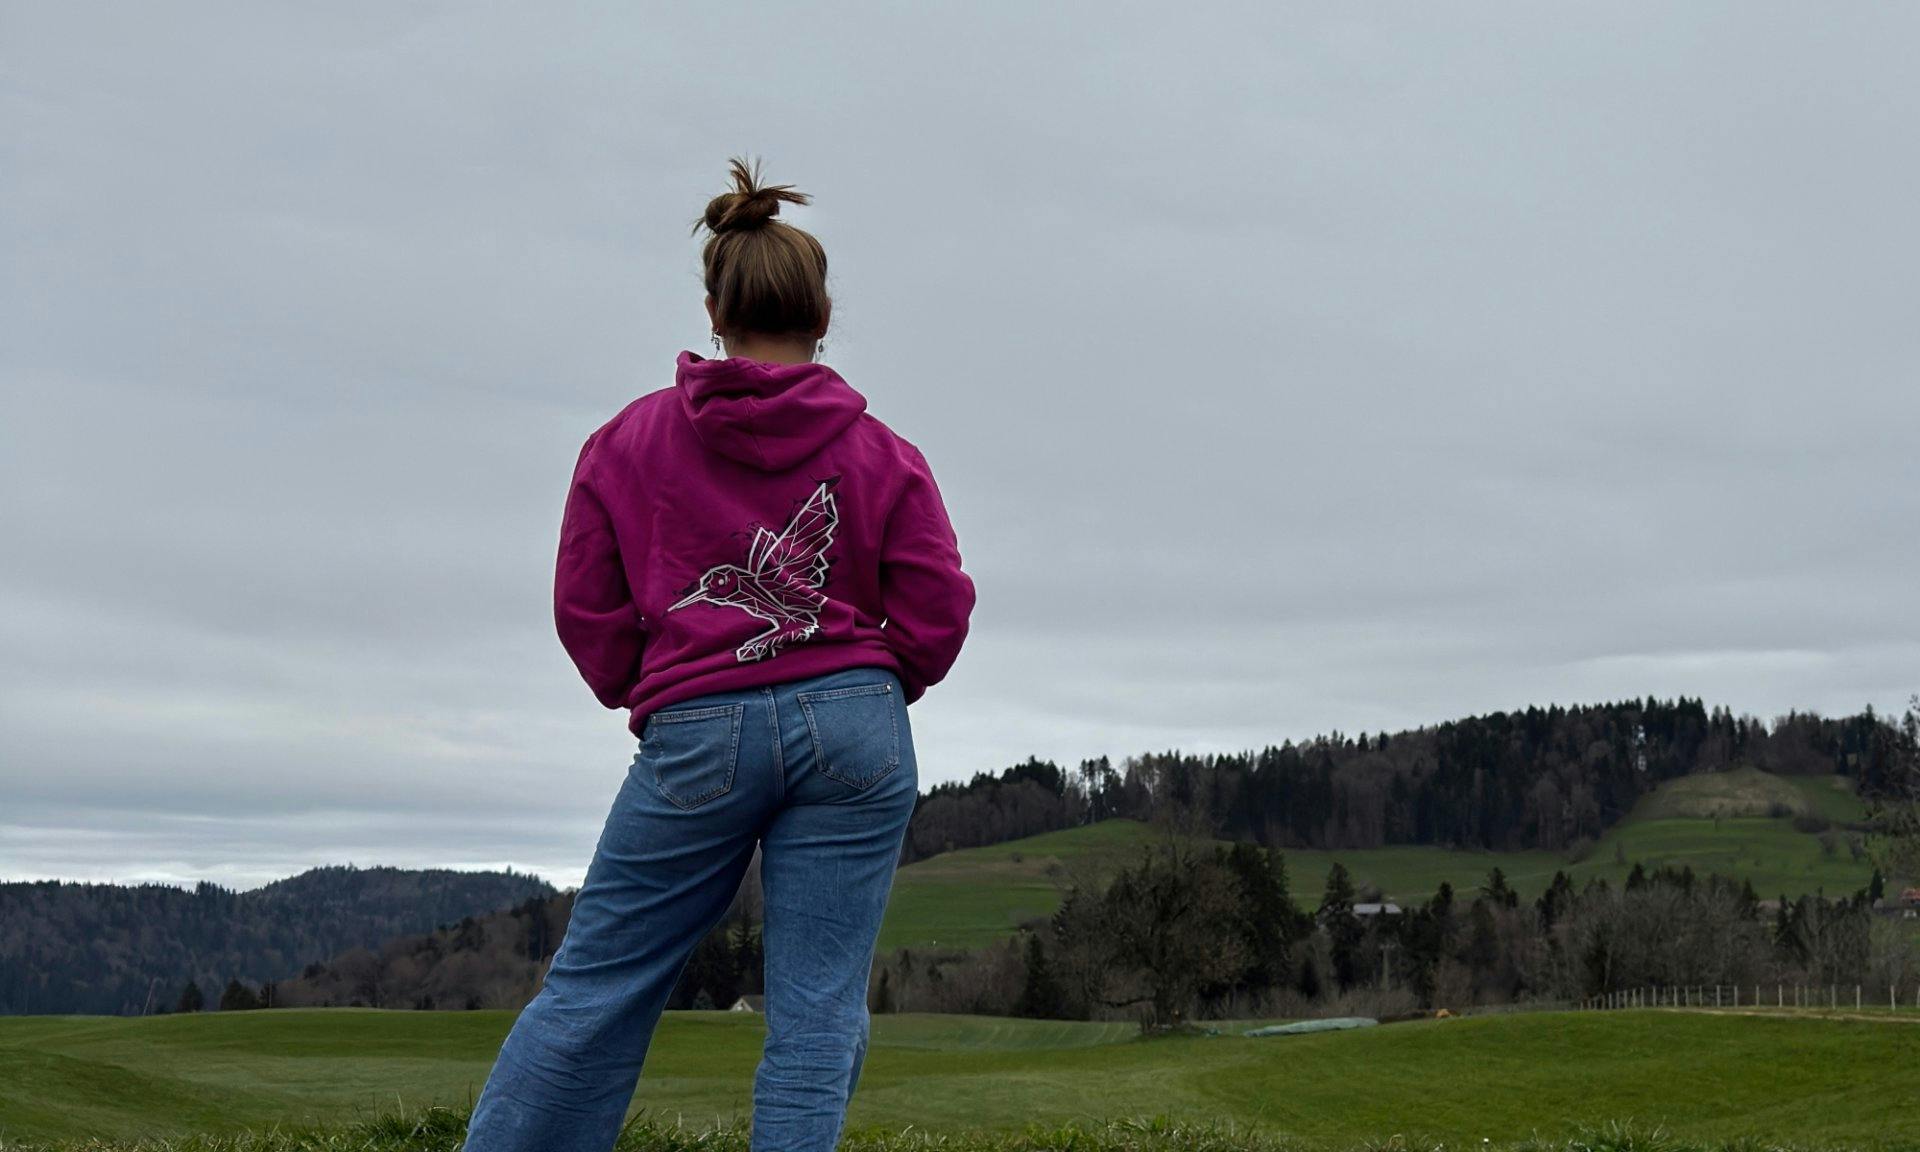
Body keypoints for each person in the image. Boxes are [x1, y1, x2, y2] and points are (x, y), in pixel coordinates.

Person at [462, 158, 975, 1152]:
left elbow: (587, 605)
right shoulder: (884, 453)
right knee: (817, 1016)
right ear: (823, 317)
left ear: (714, 310)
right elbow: (938, 604)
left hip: (699, 729)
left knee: (597, 988)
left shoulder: (626, 443)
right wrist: (878, 681)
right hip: (854, 725)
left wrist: (652, 687)